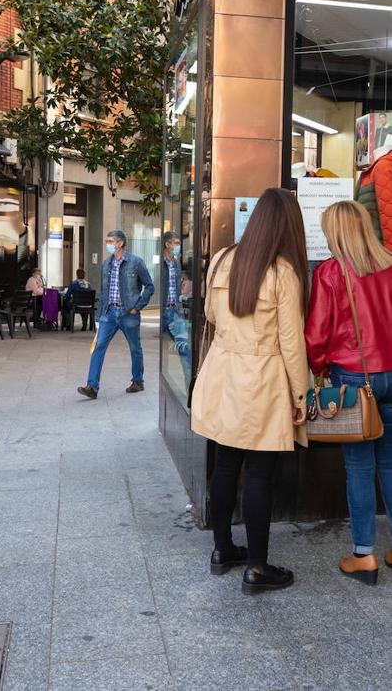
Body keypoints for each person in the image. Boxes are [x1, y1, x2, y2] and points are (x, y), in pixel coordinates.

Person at [191, 188, 309, 594]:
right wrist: (301, 395)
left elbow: (209, 315)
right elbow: (292, 343)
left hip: (223, 373)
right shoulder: (283, 272)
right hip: (262, 378)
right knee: (259, 474)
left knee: (225, 464)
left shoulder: (222, 260)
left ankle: (223, 550)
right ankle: (257, 567)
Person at [305, 200, 392, 585]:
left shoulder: (330, 273)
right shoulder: (389, 265)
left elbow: (316, 335)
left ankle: (364, 555)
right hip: (391, 373)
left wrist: (319, 368)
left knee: (359, 468)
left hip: (354, 379)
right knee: (390, 464)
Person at [77, 230, 154, 398]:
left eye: (111, 241)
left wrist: (137, 306)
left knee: (135, 348)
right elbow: (103, 293)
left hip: (128, 313)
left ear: (120, 243)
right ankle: (92, 386)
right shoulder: (106, 264)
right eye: (107, 241)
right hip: (109, 313)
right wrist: (98, 318)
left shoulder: (136, 262)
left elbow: (149, 286)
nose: (108, 244)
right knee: (98, 348)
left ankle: (138, 381)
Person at [161, 231, 191, 385]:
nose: (179, 247)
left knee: (184, 351)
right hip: (163, 310)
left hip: (175, 312)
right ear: (167, 245)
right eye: (176, 243)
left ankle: (189, 390)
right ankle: (137, 380)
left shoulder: (176, 263)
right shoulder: (160, 262)